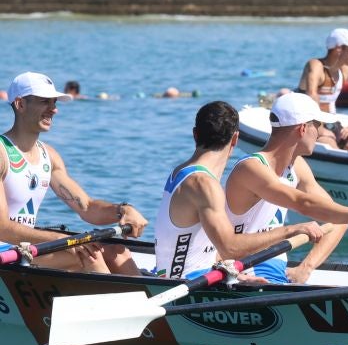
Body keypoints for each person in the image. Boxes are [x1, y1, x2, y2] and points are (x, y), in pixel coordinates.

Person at [154, 101, 324, 279]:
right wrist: (291, 231)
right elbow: (230, 249)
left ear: (195, 134)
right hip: (188, 284)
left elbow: (200, 251)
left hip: (190, 276)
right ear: (235, 139)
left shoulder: (179, 172)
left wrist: (240, 277)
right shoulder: (204, 184)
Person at [1, 72, 147, 275]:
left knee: (118, 252)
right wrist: (63, 240)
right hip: (5, 249)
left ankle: (148, 295)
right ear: (20, 104)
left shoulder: (49, 156)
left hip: (26, 247)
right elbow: (3, 228)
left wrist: (123, 210)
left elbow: (87, 207)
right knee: (88, 255)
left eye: (54, 102)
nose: (54, 109)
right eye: (44, 101)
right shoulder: (2, 153)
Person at [224, 93, 348, 284]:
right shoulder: (251, 168)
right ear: (303, 128)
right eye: (318, 125)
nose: (321, 133)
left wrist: (306, 267)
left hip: (275, 266)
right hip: (241, 267)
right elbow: (303, 203)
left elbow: (338, 220)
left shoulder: (297, 166)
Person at [297, 28, 348, 152]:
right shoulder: (315, 65)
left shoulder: (345, 70)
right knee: (336, 151)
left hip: (334, 126)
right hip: (310, 126)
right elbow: (312, 95)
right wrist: (320, 129)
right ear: (338, 49)